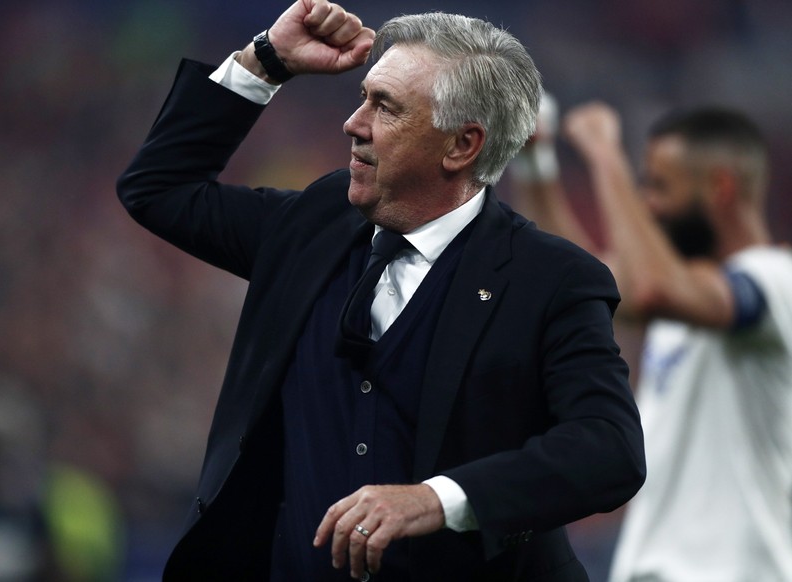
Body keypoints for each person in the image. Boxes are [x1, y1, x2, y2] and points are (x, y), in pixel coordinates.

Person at [117, 1, 646, 579]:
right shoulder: (314, 225)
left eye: (385, 107)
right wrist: (265, 61)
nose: (354, 122)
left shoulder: (550, 279)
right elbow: (159, 189)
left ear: (461, 146)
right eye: (363, 96)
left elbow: (609, 451)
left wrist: (437, 499)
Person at [511, 99, 792, 581]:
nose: (647, 203)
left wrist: (605, 154)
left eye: (659, 185)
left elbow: (653, 287)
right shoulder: (686, 294)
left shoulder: (775, 277)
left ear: (721, 187)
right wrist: (535, 160)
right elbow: (569, 280)